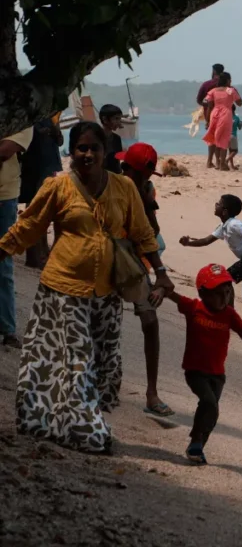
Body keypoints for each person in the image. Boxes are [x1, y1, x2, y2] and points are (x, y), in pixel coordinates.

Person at [0, 121, 173, 452]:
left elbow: (142, 233)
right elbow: (28, 227)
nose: (88, 154)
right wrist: (2, 249)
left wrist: (161, 271)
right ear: (71, 152)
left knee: (98, 366)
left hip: (107, 295)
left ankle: (58, 425)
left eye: (94, 148)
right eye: (81, 147)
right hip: (63, 291)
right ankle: (90, 434)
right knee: (73, 363)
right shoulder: (58, 187)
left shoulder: (124, 188)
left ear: (105, 152)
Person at [154, 263, 242, 464]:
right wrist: (160, 289)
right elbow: (172, 295)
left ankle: (197, 447)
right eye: (218, 293)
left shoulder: (230, 314)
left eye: (228, 292)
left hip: (218, 374)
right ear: (203, 293)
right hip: (195, 371)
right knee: (209, 403)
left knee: (211, 413)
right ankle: (195, 439)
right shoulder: (194, 307)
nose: (224, 297)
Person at [117, 142, 174, 417]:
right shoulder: (111, 185)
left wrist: (145, 200)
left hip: (134, 262)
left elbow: (153, 230)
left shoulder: (144, 191)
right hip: (105, 257)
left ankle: (152, 392)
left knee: (150, 321)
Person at [179, 194, 242, 341]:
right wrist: (188, 243)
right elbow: (206, 240)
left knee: (225, 280)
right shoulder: (223, 227)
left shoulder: (234, 224)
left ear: (225, 211)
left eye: (218, 204)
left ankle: (229, 319)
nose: (215, 205)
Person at [0, 124, 34, 347]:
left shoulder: (22, 112)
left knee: (3, 263)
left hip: (4, 196)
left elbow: (6, 149)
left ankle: (7, 328)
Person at [19, 114, 64, 269]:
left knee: (44, 212)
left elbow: (60, 141)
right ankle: (34, 256)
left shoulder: (51, 118)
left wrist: (56, 129)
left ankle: (42, 254)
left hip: (49, 166)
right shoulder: (33, 117)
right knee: (36, 211)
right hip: (36, 167)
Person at [202, 72, 242, 171]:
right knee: (224, 139)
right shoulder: (230, 90)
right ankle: (222, 164)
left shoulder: (213, 91)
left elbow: (207, 104)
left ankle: (216, 162)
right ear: (228, 80)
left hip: (214, 114)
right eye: (230, 80)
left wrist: (207, 120)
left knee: (215, 138)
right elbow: (240, 103)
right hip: (225, 114)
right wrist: (233, 95)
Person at [197, 64, 225, 170]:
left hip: (210, 113)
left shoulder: (206, 84)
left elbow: (199, 99)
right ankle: (218, 161)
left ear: (213, 71)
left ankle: (209, 161)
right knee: (220, 137)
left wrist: (206, 106)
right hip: (223, 114)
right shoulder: (225, 85)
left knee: (212, 137)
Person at [99, 104, 124, 174]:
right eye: (116, 118)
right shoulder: (95, 138)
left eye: (120, 119)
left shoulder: (117, 138)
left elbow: (117, 161)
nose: (119, 122)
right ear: (105, 120)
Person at [228, 107, 242, 171]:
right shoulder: (236, 118)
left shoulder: (226, 117)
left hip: (226, 136)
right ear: (234, 110)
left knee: (230, 151)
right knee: (235, 151)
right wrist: (241, 124)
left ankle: (232, 166)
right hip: (233, 135)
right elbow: (239, 127)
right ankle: (226, 160)